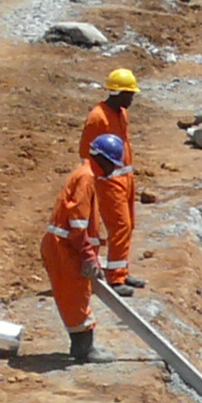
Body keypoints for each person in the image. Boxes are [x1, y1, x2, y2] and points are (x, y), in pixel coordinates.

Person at [43, 132, 123, 361]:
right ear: (104, 159)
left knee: (79, 295)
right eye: (113, 165)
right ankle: (83, 350)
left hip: (68, 246)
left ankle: (83, 347)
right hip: (65, 248)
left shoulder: (86, 175)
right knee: (74, 297)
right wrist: (88, 255)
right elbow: (77, 224)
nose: (114, 171)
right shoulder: (86, 178)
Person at [77, 68, 143, 289]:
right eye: (129, 93)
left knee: (128, 226)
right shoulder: (98, 118)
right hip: (109, 181)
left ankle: (121, 271)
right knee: (119, 226)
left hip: (125, 178)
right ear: (117, 93)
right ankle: (115, 279)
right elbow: (86, 153)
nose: (132, 98)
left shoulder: (121, 112)